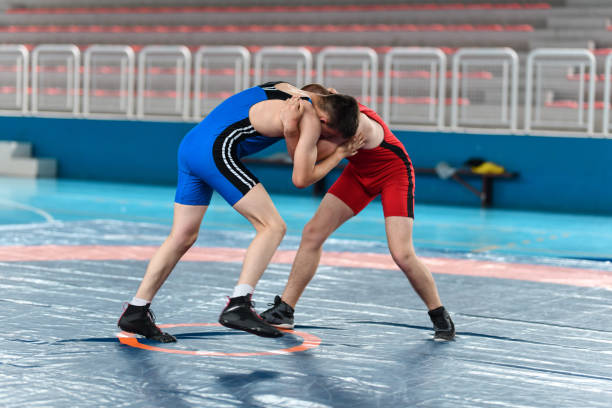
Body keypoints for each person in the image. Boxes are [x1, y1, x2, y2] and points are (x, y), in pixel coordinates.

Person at [118, 81, 363, 342]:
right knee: (273, 226)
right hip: (214, 152)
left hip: (191, 147)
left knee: (182, 236)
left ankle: (136, 310)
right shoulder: (310, 115)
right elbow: (301, 178)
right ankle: (239, 303)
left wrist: (292, 131)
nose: (325, 140)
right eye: (329, 136)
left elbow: (299, 128)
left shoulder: (287, 88)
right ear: (324, 118)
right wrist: (340, 153)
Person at [260, 84, 455, 341]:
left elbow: (303, 167)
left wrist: (290, 130)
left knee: (402, 253)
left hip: (393, 174)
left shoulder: (353, 126)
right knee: (312, 233)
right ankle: (285, 310)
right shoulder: (337, 108)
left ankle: (439, 314)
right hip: (358, 174)